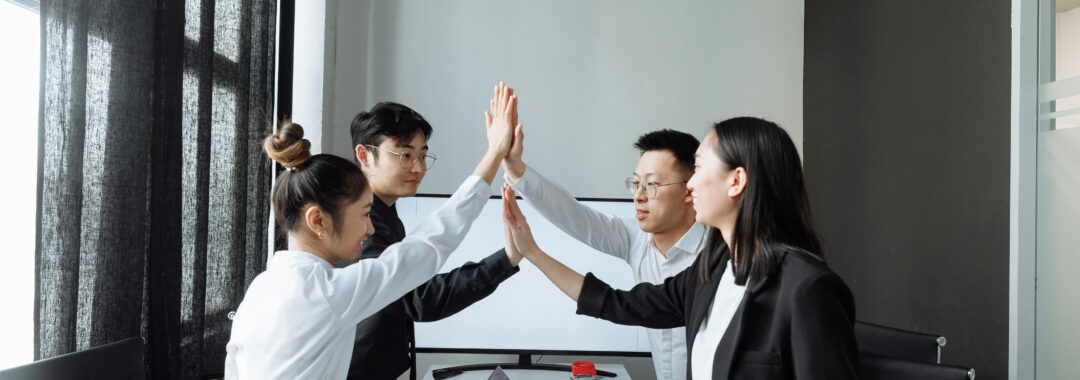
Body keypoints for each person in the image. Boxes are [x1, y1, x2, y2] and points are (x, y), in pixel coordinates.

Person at [501, 117, 859, 379]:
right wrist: (532, 252)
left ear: (736, 181)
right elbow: (615, 302)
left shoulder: (807, 289)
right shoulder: (710, 275)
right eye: (636, 184)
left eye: (698, 170)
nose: (691, 187)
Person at [223, 83, 518, 379]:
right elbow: (427, 248)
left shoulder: (259, 290)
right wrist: (495, 153)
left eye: (421, 156)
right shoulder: (330, 293)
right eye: (364, 214)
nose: (370, 227)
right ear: (318, 221)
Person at [339, 84, 525, 379]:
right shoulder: (361, 224)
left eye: (423, 156)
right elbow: (420, 299)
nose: (418, 168)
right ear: (364, 155)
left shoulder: (385, 214)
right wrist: (507, 259)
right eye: (405, 155)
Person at [502, 128, 704, 380]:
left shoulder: (720, 256)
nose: (639, 196)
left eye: (651, 185)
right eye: (636, 183)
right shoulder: (635, 238)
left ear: (690, 190)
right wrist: (517, 169)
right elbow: (575, 216)